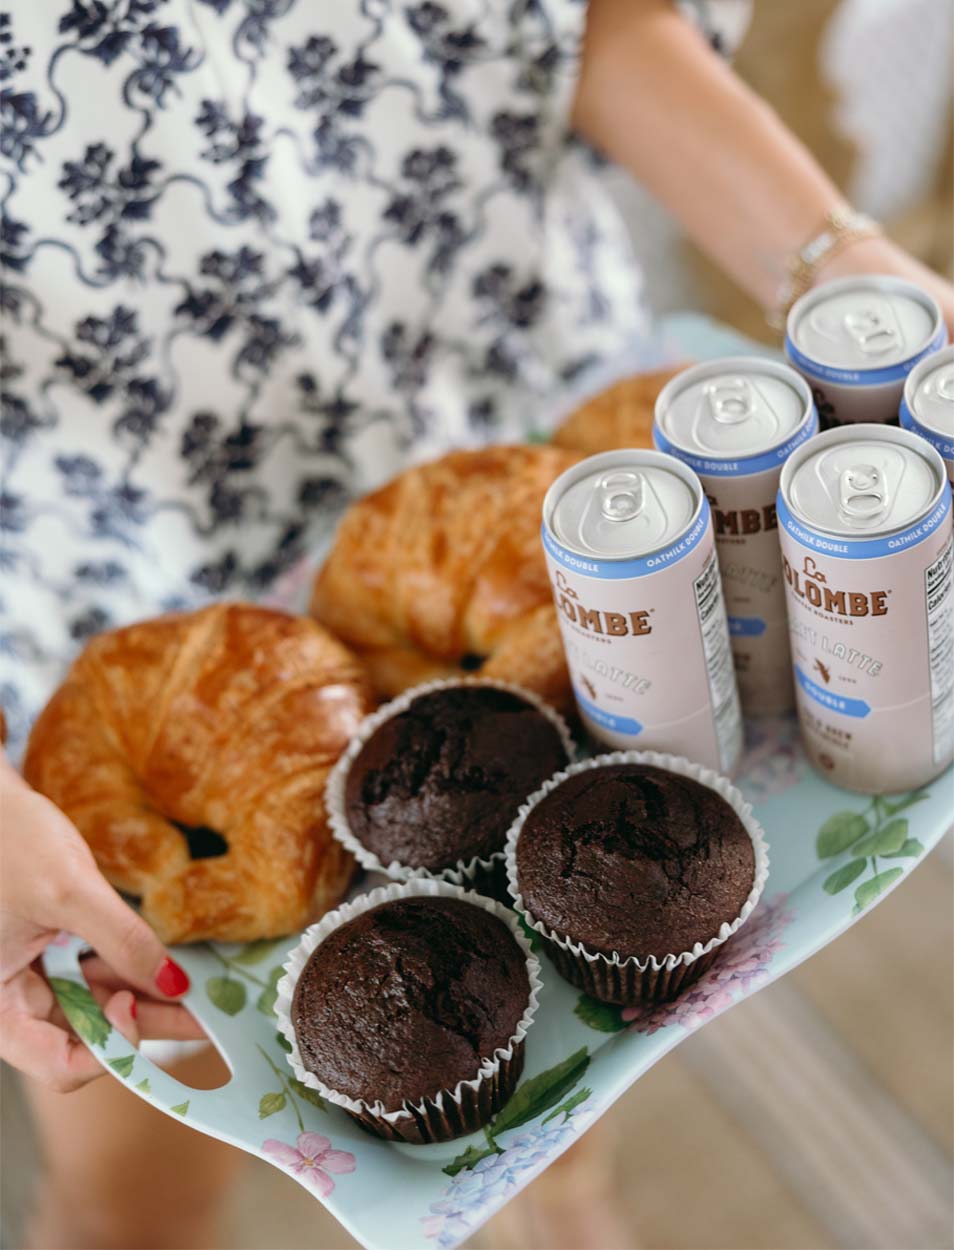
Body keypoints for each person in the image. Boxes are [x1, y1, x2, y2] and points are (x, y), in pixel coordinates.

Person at [2, 1, 952, 1246]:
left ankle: (559, 1197)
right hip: (88, 617)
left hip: (546, 486)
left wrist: (842, 264)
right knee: (131, 1203)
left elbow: (567, 20)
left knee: (572, 1016)